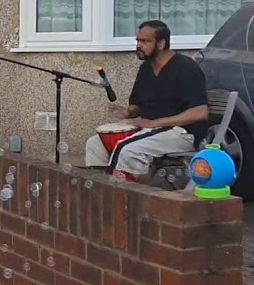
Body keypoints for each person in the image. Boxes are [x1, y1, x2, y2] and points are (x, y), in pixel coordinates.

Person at [84, 20, 208, 183]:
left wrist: (155, 123)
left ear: (161, 43)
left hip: (181, 133)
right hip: (149, 129)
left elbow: (200, 112)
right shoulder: (146, 69)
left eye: (145, 41)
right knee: (95, 143)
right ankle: (103, 191)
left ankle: (141, 195)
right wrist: (128, 112)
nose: (139, 45)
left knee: (126, 150)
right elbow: (137, 105)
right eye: (138, 41)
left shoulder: (186, 67)